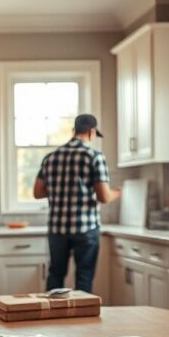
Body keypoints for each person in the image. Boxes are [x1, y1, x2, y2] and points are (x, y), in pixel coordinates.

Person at [33, 114, 121, 293]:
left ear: (74, 131)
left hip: (57, 228)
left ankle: (52, 317)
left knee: (56, 274)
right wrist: (118, 193)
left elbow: (37, 192)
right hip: (85, 228)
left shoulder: (51, 157)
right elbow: (103, 197)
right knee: (84, 276)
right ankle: (81, 319)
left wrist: (60, 189)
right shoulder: (94, 156)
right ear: (91, 132)